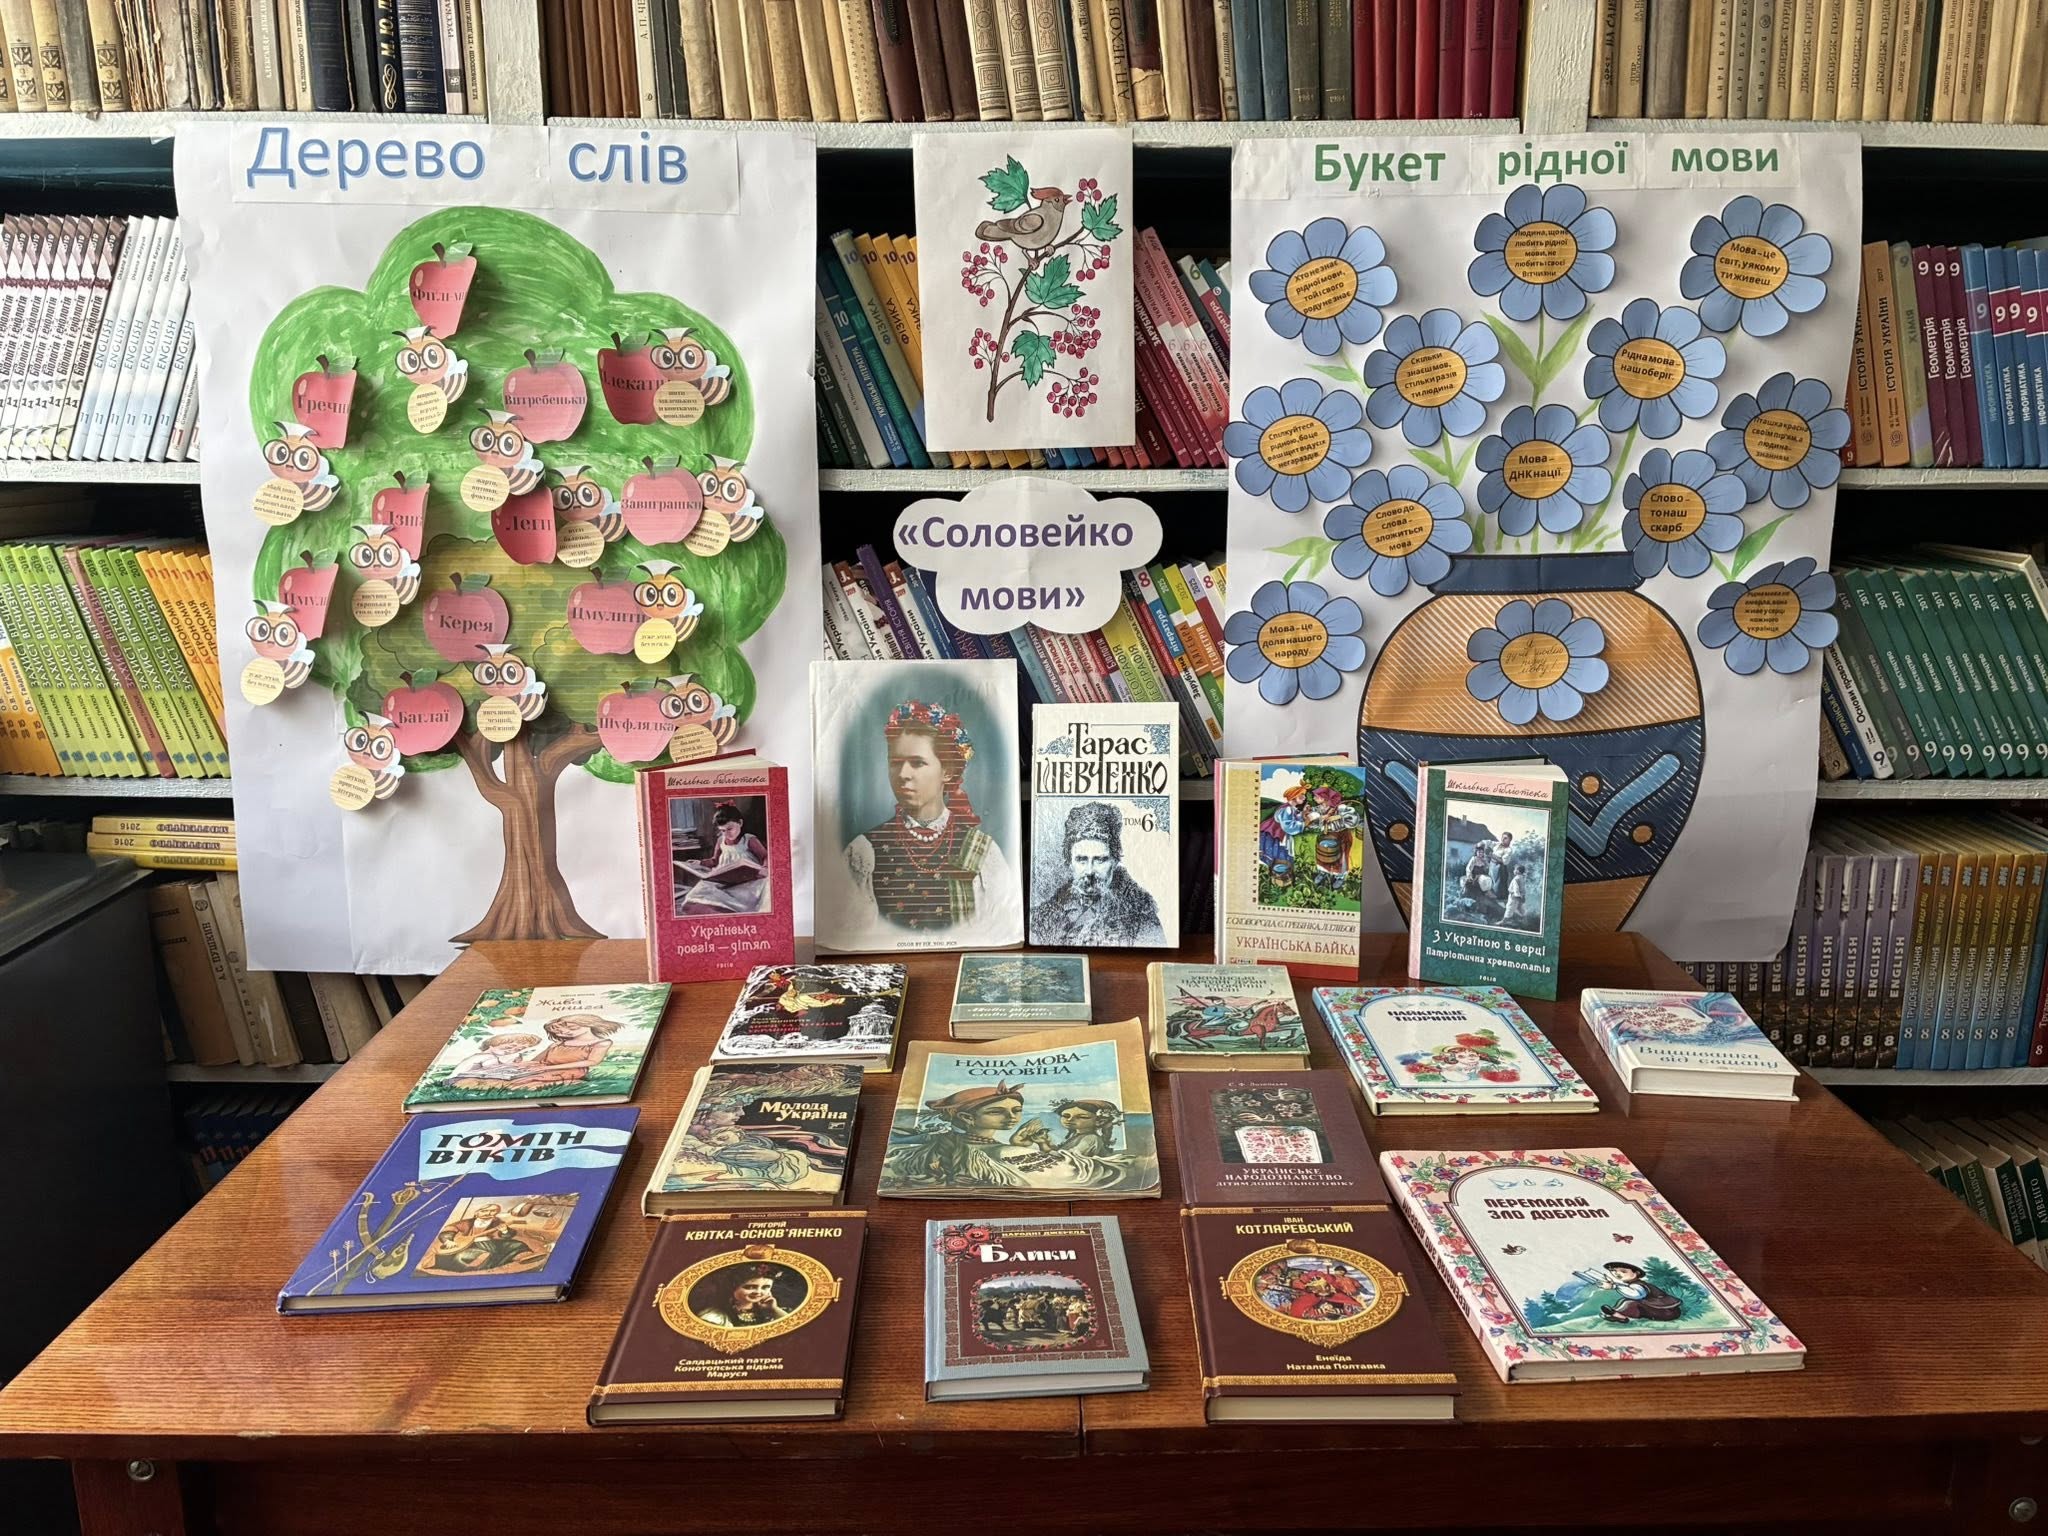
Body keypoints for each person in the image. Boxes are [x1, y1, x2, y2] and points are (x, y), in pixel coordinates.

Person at [844, 700, 1017, 939]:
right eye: (895, 763)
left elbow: (998, 932)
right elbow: (851, 937)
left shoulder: (983, 852)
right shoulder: (863, 851)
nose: (903, 774)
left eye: (917, 763)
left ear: (947, 771)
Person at [1030, 801, 1166, 945]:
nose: (1090, 871)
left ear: (1114, 861)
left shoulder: (1141, 918)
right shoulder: (1042, 920)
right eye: (1081, 860)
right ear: (1069, 863)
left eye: (1100, 860)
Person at [676, 802, 768, 915]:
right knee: (696, 896)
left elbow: (765, 856)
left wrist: (765, 867)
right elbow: (714, 860)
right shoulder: (721, 841)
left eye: (730, 829)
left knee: (748, 899)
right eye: (723, 830)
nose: (727, 834)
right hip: (724, 880)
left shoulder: (749, 840)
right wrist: (699, 863)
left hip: (747, 881)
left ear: (740, 823)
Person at [1577, 1260, 1683, 1323]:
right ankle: (1617, 1314)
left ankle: (1619, 1315)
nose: (1618, 1274)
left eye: (1623, 1271)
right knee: (1625, 1301)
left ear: (1636, 1273)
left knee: (1630, 1303)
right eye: (1614, 1271)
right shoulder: (1633, 1283)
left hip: (1666, 1312)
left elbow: (1637, 1295)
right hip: (1660, 1310)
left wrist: (1614, 1286)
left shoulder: (1639, 1285)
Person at [697, 1264, 790, 1327]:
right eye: (750, 1287)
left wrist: (774, 1309)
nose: (758, 1292)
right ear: (732, 1288)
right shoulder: (715, 1317)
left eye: (765, 1287)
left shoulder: (773, 1312)